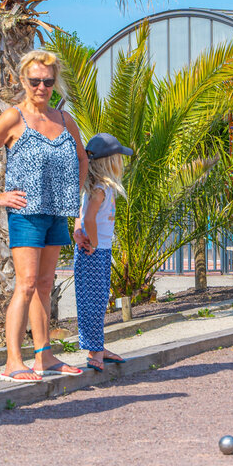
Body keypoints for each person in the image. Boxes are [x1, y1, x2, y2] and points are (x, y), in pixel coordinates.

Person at [0, 49, 88, 381]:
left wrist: (72, 197)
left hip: (56, 214)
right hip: (26, 214)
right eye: (35, 81)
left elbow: (82, 158)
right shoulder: (13, 118)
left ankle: (44, 356)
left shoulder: (64, 120)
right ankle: (12, 361)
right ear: (22, 80)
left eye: (48, 81)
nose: (42, 87)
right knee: (27, 283)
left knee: (46, 284)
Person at [73, 133, 133, 371]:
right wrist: (94, 243)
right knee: (94, 302)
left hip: (95, 250)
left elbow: (81, 216)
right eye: (119, 158)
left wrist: (79, 232)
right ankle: (95, 352)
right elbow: (88, 217)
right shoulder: (100, 189)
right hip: (95, 252)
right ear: (110, 162)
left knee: (96, 301)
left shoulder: (95, 188)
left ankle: (98, 347)